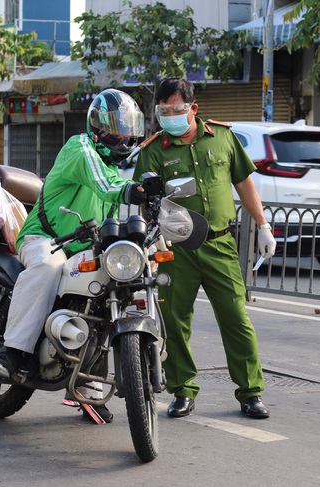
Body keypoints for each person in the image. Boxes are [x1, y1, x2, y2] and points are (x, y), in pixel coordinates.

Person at [0, 89, 148, 423]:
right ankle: (15, 349)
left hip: (82, 247)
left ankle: (88, 388)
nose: (124, 134)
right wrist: (130, 190)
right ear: (98, 125)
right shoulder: (81, 148)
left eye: (128, 127)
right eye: (117, 126)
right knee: (48, 267)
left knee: (113, 286)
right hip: (46, 238)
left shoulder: (117, 166)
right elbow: (106, 185)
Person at [132, 77, 276, 419]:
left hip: (220, 244)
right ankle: (182, 390)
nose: (170, 116)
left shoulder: (223, 137)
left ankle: (250, 392)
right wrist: (155, 229)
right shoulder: (154, 149)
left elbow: (244, 183)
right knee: (175, 321)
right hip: (176, 249)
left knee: (236, 318)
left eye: (177, 109)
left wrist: (263, 226)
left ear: (193, 108)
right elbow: (145, 199)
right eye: (163, 110)